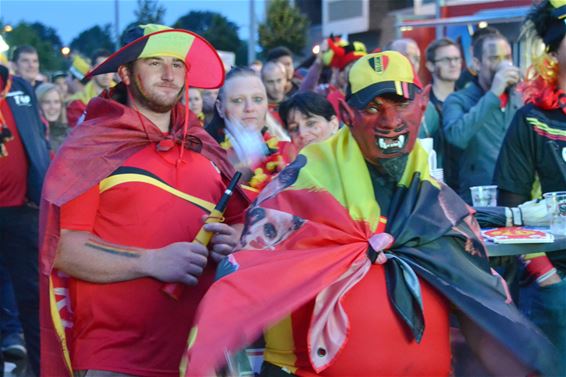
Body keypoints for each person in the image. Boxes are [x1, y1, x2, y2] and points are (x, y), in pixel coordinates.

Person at [183, 51, 558, 377]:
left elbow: (482, 312)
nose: (390, 120)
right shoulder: (298, 189)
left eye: (401, 104)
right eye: (373, 107)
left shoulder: (442, 208)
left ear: (422, 106)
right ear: (347, 114)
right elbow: (247, 280)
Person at [39, 24, 250, 377]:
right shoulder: (91, 147)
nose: (169, 75)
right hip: (117, 359)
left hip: (201, 356)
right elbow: (63, 249)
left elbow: (241, 226)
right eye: (154, 62)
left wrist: (234, 239)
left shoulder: (205, 148)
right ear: (125, 72)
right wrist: (151, 261)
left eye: (177, 64)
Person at [493, 0, 566, 372]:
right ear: (554, 49)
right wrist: (547, 277)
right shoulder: (532, 119)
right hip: (558, 285)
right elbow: (510, 208)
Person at [0, 62, 50, 377]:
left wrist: (39, 188)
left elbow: (37, 142)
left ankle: (43, 370)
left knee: (34, 300)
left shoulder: (19, 86)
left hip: (22, 211)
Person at [443, 32, 522, 204]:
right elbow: (456, 137)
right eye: (494, 58)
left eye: (507, 57)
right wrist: (494, 93)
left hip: (518, 200)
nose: (503, 64)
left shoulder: (520, 98)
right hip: (478, 203)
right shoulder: (458, 100)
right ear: (477, 64)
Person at [206, 67, 295, 191]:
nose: (249, 108)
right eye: (238, 100)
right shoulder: (206, 156)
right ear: (220, 108)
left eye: (257, 99)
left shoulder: (286, 151)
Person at [420, 37, 463, 191]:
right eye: (446, 59)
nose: (453, 64)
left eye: (457, 59)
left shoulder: (468, 101)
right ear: (430, 65)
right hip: (435, 185)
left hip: (464, 183)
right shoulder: (422, 104)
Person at [66, 49, 115, 127]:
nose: (106, 73)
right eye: (102, 67)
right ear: (92, 69)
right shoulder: (77, 103)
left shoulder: (125, 98)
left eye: (110, 67)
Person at [36, 83, 68, 151]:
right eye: (46, 102)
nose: (52, 107)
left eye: (56, 102)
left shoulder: (71, 135)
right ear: (38, 105)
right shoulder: (34, 137)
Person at [261, 60, 288, 125]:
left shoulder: (294, 105)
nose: (276, 87)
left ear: (285, 80)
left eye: (279, 80)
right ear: (262, 82)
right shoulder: (258, 110)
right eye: (270, 82)